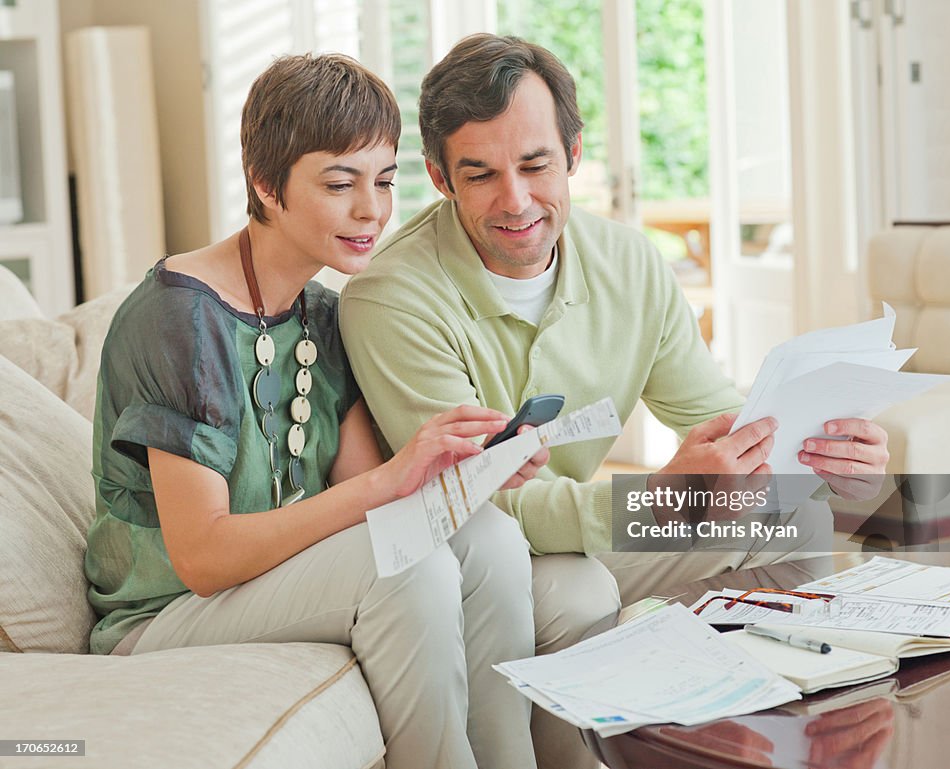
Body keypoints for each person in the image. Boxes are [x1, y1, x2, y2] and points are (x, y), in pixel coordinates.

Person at [340, 34, 889, 769]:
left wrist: (817, 455)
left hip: (586, 527)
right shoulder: (391, 298)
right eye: (481, 175)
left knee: (798, 520)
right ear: (440, 178)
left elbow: (721, 419)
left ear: (573, 153)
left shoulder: (629, 262)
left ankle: (756, 735)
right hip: (471, 558)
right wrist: (656, 501)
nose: (517, 201)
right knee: (574, 590)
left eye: (536, 165)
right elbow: (473, 507)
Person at [84, 53, 547, 769]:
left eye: (385, 181)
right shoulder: (179, 317)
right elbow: (204, 557)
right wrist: (388, 481)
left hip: (268, 581)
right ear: (266, 185)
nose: (371, 209)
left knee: (490, 540)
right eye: (340, 183)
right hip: (166, 612)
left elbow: (369, 486)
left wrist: (467, 471)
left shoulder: (323, 314)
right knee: (405, 571)